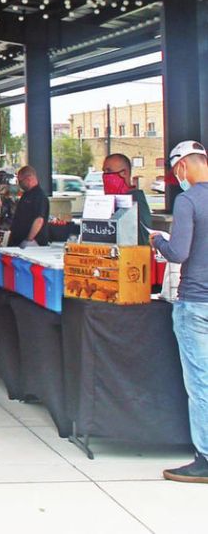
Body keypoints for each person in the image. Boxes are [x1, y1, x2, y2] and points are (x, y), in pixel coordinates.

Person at [151, 140, 208, 483]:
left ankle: (205, 457)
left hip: (196, 302)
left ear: (182, 168)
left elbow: (179, 252)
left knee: (201, 382)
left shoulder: (188, 201)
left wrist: (159, 241)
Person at [102, 153, 153, 246]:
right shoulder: (111, 201)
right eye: (104, 171)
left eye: (109, 171)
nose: (105, 176)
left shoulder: (136, 201)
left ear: (124, 173)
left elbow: (145, 238)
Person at [8, 166, 50, 248]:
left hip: (32, 242)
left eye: (20, 181)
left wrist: (29, 240)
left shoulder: (39, 196)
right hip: (18, 241)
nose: (19, 184)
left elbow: (39, 220)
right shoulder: (26, 194)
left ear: (28, 179)